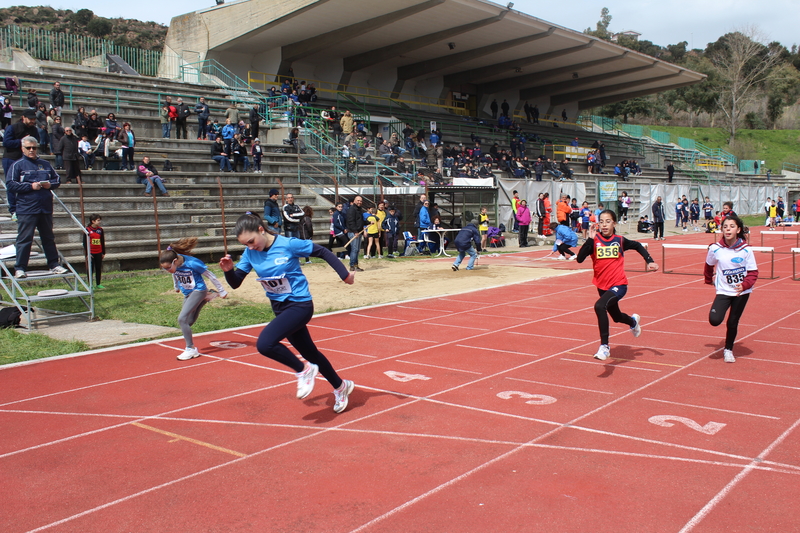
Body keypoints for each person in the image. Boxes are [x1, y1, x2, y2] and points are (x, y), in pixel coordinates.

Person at [219, 213, 356, 413]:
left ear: (260, 229)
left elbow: (323, 252)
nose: (250, 247)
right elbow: (236, 282)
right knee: (310, 353)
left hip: (300, 305)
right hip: (280, 309)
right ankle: (341, 386)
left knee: (265, 344)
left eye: (251, 241)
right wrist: (229, 270)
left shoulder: (288, 244)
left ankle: (304, 371)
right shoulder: (250, 253)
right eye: (245, 244)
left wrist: (345, 276)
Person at [576, 209, 659, 361]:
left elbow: (638, 245)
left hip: (619, 284)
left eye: (608, 221)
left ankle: (604, 347)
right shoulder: (594, 241)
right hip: (602, 286)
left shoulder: (620, 240)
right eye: (601, 222)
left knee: (600, 306)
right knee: (616, 317)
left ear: (614, 223)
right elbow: (579, 259)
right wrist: (590, 239)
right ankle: (633, 321)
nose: (604, 225)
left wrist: (649, 260)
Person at [6, 136, 67, 278]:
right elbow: (10, 184)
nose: (32, 150)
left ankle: (54, 264)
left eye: (34, 147)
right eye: (28, 148)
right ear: (23, 149)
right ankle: (20, 267)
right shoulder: (17, 165)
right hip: (26, 208)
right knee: (25, 239)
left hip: (45, 207)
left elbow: (57, 179)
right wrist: (30, 186)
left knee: (48, 238)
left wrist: (49, 185)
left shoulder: (45, 164)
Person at [160, 238, 228, 361]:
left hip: (198, 290)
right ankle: (206, 298)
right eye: (164, 269)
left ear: (175, 261)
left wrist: (222, 290)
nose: (167, 270)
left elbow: (210, 275)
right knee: (188, 321)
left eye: (168, 267)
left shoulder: (193, 263)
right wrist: (176, 286)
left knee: (181, 319)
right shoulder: (174, 265)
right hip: (188, 293)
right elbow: (174, 274)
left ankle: (190, 348)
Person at [704, 215, 758, 363]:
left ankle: (728, 349)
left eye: (732, 226)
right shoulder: (715, 249)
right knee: (714, 320)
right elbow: (709, 265)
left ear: (738, 230)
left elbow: (753, 273)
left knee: (733, 321)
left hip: (741, 292)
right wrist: (709, 280)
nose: (728, 229)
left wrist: (744, 285)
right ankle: (727, 347)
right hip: (723, 291)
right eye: (725, 226)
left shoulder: (746, 250)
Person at [3, 109, 40, 220]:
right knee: (12, 184)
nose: (32, 121)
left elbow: (37, 142)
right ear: (23, 117)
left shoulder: (34, 130)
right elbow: (6, 142)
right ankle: (13, 209)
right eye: (30, 119)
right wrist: (21, 142)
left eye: (34, 119)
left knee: (27, 183)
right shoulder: (13, 128)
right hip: (11, 158)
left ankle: (26, 206)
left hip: (26, 160)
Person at [83, 213, 106, 289]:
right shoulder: (87, 230)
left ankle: (98, 283)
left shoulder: (100, 230)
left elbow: (102, 241)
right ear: (93, 221)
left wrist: (103, 252)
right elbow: (85, 243)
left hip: (98, 252)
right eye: (98, 220)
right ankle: (90, 284)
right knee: (90, 269)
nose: (99, 222)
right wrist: (87, 253)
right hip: (91, 252)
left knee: (98, 268)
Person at [345, 195, 365, 271]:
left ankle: (356, 265)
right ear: (354, 201)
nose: (359, 202)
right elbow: (351, 221)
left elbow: (360, 221)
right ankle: (352, 265)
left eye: (361, 201)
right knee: (354, 249)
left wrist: (369, 222)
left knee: (357, 250)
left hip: (359, 232)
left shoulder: (359, 210)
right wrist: (355, 231)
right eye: (358, 200)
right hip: (353, 232)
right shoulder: (351, 210)